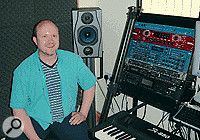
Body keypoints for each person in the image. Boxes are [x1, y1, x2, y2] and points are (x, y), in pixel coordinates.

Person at [9, 20, 96, 140]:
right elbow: (18, 109)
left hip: (66, 118)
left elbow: (90, 84)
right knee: (13, 137)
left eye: (54, 36)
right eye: (44, 36)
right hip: (35, 119)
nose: (50, 40)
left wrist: (83, 113)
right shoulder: (22, 70)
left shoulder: (72, 60)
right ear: (35, 40)